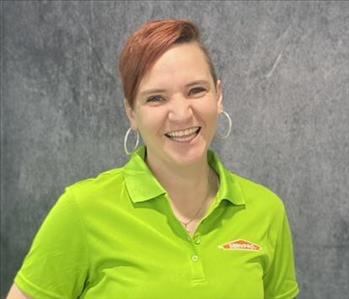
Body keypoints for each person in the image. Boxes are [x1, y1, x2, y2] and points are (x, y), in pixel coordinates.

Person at [7, 19, 299, 299]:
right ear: (131, 112)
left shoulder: (266, 211)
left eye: (196, 90)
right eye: (156, 98)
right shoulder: (82, 209)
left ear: (218, 95)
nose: (182, 114)